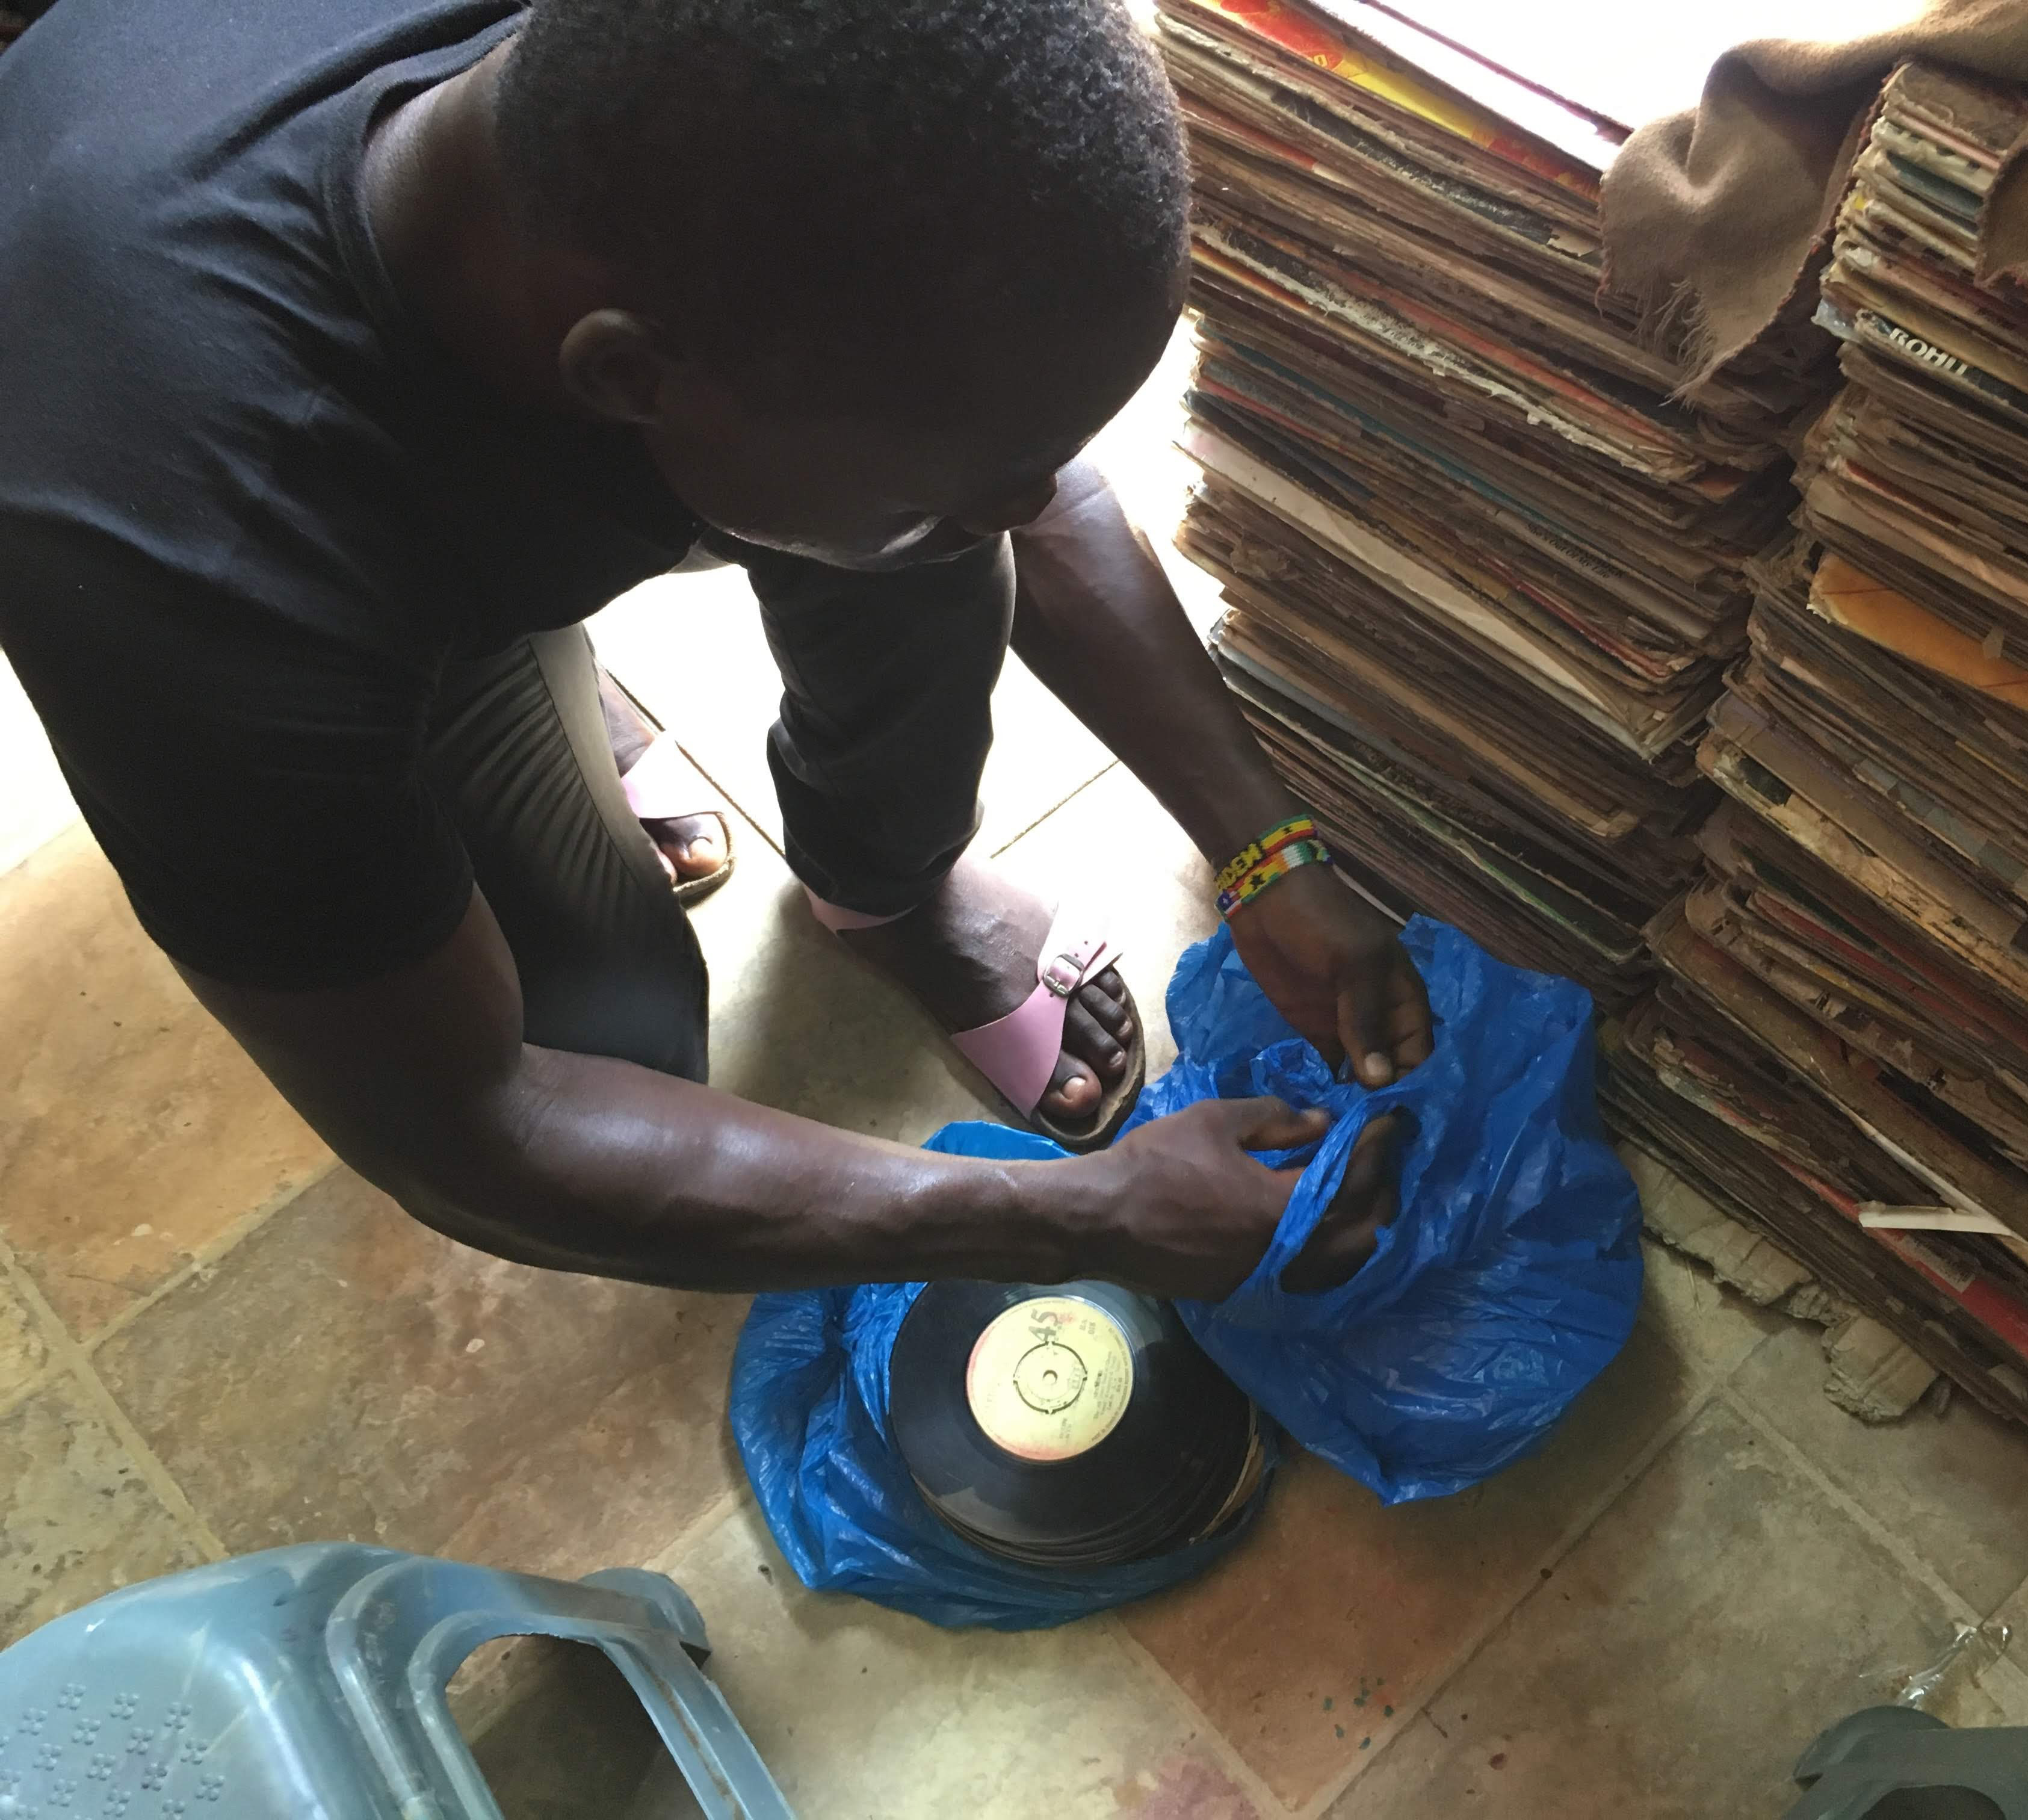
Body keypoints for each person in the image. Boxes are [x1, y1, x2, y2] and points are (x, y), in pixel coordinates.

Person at [0, 0, 1435, 1299]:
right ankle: (521, 673)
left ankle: (884, 890)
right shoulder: (212, 588)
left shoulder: (702, 150)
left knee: (915, 541)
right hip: (308, 538)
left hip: (558, 406)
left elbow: (1014, 469)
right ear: (628, 377)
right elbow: (477, 1128)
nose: (1034, 510)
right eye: (982, 478)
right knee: (617, 1041)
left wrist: (1265, 851)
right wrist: (1080, 1217)